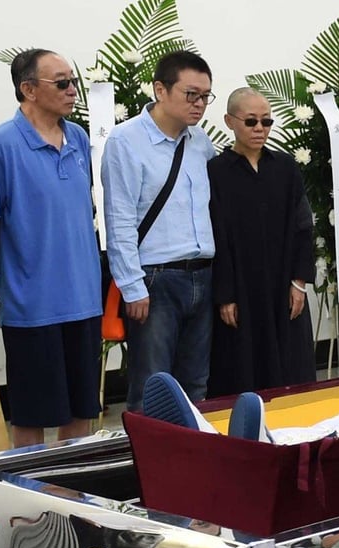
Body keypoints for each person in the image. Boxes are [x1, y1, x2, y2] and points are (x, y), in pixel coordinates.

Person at [0, 49, 103, 447]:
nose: (73, 91)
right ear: (29, 89)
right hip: (32, 307)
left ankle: (72, 481)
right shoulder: (1, 146)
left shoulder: (79, 137)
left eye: (74, 81)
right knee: (32, 414)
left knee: (83, 409)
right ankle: (29, 485)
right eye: (62, 83)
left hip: (84, 300)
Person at [102, 50, 216, 412]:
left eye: (205, 96)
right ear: (160, 90)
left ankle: (191, 450)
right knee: (152, 388)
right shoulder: (126, 141)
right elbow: (119, 218)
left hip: (203, 276)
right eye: (191, 94)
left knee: (196, 385)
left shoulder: (200, 142)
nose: (199, 104)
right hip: (156, 280)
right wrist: (132, 286)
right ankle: (149, 451)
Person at [207, 88, 315, 397]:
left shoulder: (285, 167)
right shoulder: (217, 172)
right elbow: (217, 235)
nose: (259, 129)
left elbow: (303, 226)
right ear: (230, 121)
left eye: (266, 122)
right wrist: (225, 294)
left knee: (292, 367)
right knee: (242, 367)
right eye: (251, 121)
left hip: (283, 285)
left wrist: (299, 282)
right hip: (242, 287)